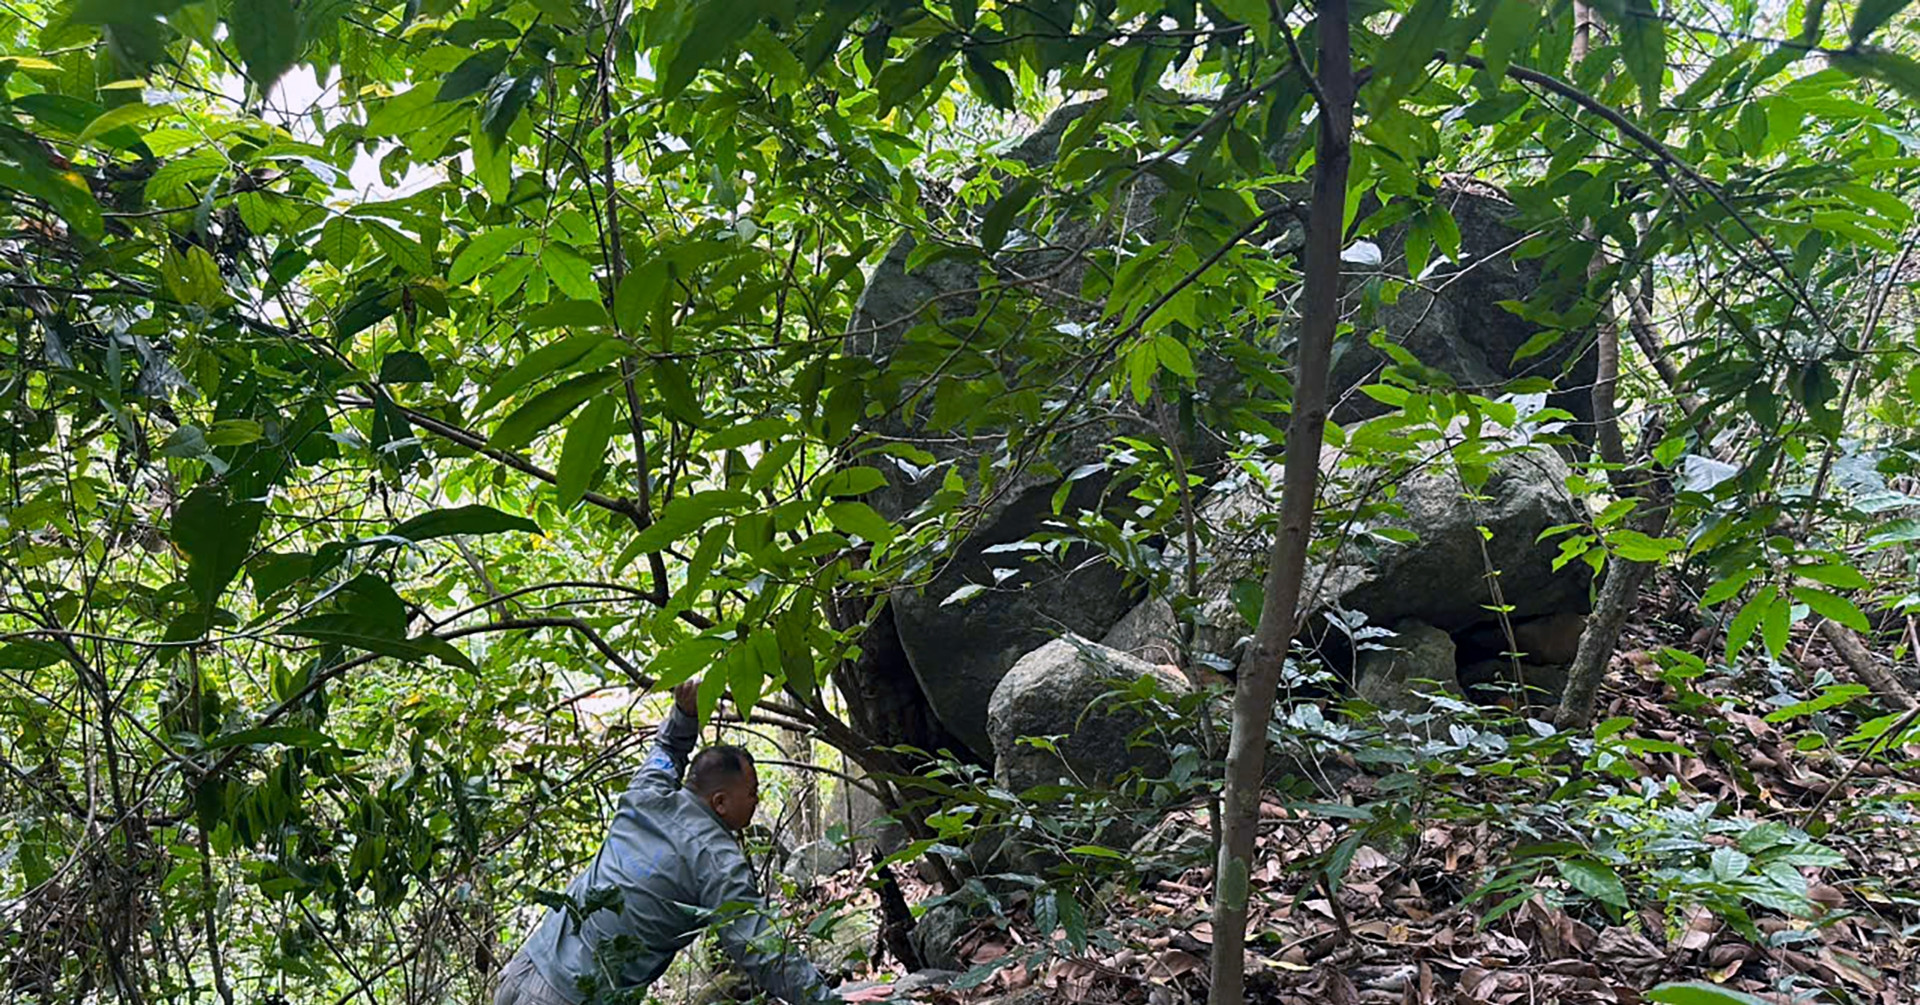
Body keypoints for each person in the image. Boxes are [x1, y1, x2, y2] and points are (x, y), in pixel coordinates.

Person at [495, 677, 891, 1005]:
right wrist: (827, 1000)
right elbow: (760, 948)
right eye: (751, 793)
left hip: (523, 969)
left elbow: (666, 749)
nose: (756, 801)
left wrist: (685, 713)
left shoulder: (646, 794)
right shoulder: (718, 861)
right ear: (720, 802)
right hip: (570, 996)